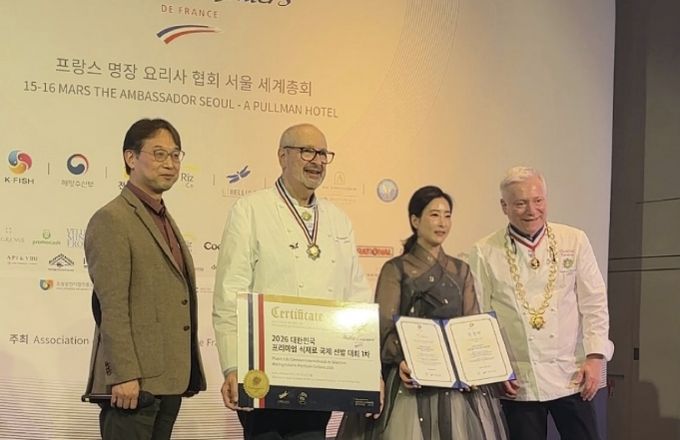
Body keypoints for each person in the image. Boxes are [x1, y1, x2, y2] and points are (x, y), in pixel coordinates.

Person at [212, 123, 374, 440]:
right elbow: (230, 294)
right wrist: (232, 367)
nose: (317, 161)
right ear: (282, 156)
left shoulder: (338, 219)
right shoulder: (250, 210)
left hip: (321, 374)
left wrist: (367, 372)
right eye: (307, 152)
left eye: (323, 154)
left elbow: (357, 299)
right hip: (263, 373)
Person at [337, 185, 508, 440]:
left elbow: (469, 324)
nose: (442, 223)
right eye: (434, 215)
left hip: (455, 386)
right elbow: (384, 326)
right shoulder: (396, 269)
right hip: (409, 379)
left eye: (447, 215)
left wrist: (472, 365)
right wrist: (401, 360)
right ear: (415, 220)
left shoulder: (461, 270)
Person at [468, 166, 614, 440]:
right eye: (520, 203)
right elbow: (479, 317)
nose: (531, 210)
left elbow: (594, 302)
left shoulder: (574, 240)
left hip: (571, 374)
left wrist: (595, 357)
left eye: (538, 201)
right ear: (504, 206)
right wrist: (495, 369)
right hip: (518, 380)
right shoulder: (484, 251)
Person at [83, 118, 206, 440]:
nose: (170, 164)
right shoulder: (112, 219)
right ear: (131, 158)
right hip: (133, 385)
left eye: (176, 155)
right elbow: (112, 306)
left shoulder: (162, 217)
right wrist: (123, 374)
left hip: (168, 380)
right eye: (159, 154)